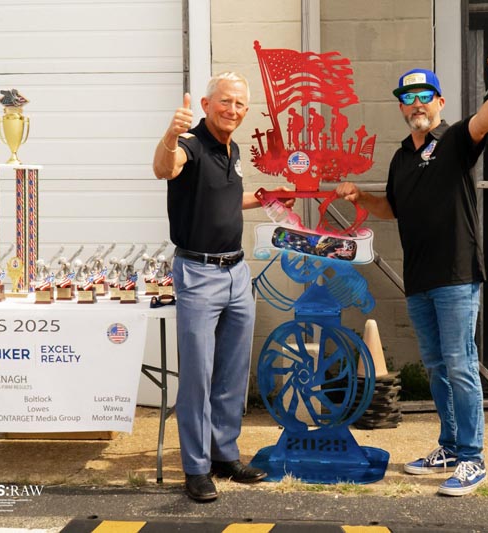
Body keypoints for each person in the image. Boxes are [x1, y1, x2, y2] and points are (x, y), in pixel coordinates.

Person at [336, 59, 488, 496]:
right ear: (401, 107)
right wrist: (361, 196)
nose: (417, 104)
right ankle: (451, 447)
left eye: (424, 97)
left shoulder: (456, 139)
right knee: (438, 367)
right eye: (408, 98)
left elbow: (484, 120)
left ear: (439, 102)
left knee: (459, 365)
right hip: (418, 277)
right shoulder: (401, 157)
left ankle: (473, 459)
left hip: (456, 274)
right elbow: (391, 209)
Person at [152, 72, 293, 502]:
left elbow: (227, 198)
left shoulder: (229, 151)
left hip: (236, 273)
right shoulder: (191, 146)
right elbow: (163, 168)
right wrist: (170, 135)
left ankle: (223, 455)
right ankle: (195, 469)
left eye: (240, 105)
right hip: (198, 273)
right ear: (208, 104)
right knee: (197, 375)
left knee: (232, 372)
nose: (233, 110)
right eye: (225, 102)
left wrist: (270, 197)